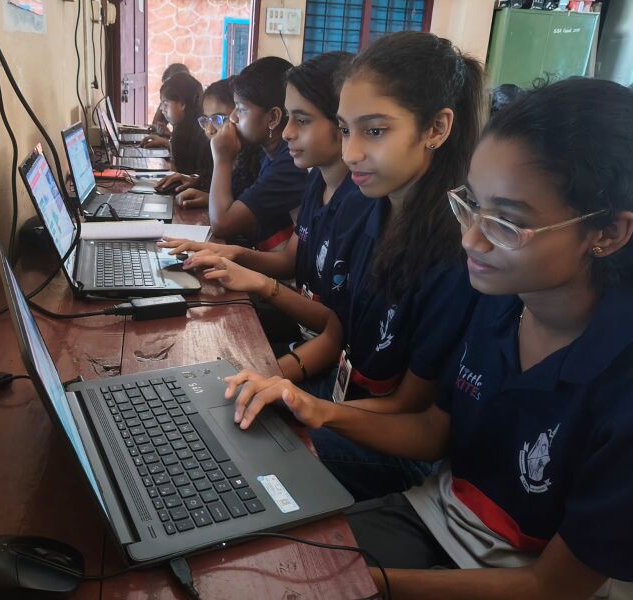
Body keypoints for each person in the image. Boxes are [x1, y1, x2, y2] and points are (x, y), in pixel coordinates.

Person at [230, 76, 633, 600]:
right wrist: (317, 410)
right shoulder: (500, 301)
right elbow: (432, 431)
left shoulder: (617, 383)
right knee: (245, 549)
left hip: (514, 579)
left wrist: (350, 584)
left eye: (507, 223)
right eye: (472, 205)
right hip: (432, 514)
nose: (471, 239)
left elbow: (550, 587)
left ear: (607, 234)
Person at [213, 32, 486, 501]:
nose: (351, 152)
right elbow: (337, 328)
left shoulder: (455, 254)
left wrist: (312, 408)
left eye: (374, 131)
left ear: (436, 129)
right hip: (339, 397)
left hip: (389, 440)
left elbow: (409, 409)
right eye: (344, 129)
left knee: (238, 460)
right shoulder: (368, 206)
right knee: (224, 407)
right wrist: (277, 380)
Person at [161, 52, 367, 344]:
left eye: (302, 120)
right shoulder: (316, 181)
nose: (288, 133)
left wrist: (261, 284)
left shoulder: (354, 200)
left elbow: (336, 332)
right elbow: (290, 260)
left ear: (342, 124)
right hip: (304, 324)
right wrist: (228, 254)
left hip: (314, 337)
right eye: (290, 118)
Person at [204, 56, 309, 251]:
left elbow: (222, 223)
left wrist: (222, 159)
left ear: (273, 118)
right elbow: (245, 202)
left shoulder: (291, 163)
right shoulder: (269, 154)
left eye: (241, 109)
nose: (233, 118)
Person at [156, 77, 263, 210]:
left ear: (239, 115)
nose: (209, 130)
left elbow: (234, 210)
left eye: (218, 119)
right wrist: (195, 181)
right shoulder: (215, 150)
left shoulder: (257, 162)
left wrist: (211, 199)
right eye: (206, 120)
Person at [156, 72, 212, 188]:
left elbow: (177, 178)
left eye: (165, 104)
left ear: (182, 104)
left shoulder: (182, 134)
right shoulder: (197, 125)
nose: (162, 109)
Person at [141, 63, 189, 149]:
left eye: (170, 87)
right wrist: (169, 134)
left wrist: (166, 143)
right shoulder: (175, 104)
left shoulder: (196, 115)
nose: (166, 90)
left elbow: (190, 151)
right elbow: (156, 125)